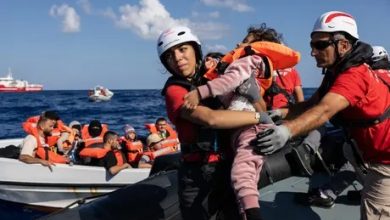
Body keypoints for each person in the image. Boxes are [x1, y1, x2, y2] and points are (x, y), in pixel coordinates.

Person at [254, 11, 390, 219]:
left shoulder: (353, 77)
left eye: (320, 45)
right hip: (368, 152)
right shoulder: (337, 73)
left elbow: (324, 110)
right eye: (312, 45)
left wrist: (286, 131)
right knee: (347, 149)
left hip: (385, 160)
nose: (313, 52)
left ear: (343, 45)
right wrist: (279, 113)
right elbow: (311, 104)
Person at [157, 25, 281, 220]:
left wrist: (255, 96)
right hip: (197, 175)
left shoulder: (218, 77)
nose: (178, 58)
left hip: (228, 165)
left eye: (183, 50)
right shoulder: (175, 92)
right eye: (170, 56)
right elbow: (211, 119)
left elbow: (259, 108)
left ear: (195, 50)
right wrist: (259, 118)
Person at [183, 23, 301, 218]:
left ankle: (253, 215)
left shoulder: (247, 61)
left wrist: (199, 92)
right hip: (245, 129)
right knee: (249, 178)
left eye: (245, 41)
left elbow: (230, 81)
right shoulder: (258, 65)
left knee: (241, 174)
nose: (239, 43)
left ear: (256, 46)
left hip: (248, 129)